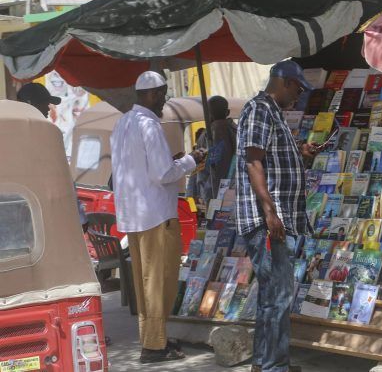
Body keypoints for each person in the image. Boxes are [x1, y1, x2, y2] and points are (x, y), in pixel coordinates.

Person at [110, 71, 206, 364]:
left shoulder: (123, 124)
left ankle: (155, 338)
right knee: (159, 282)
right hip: (155, 216)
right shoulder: (148, 126)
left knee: (146, 282)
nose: (164, 100)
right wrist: (191, 160)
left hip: (136, 215)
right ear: (151, 95)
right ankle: (153, 346)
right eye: (162, 94)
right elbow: (162, 173)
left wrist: (175, 161)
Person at [236, 60, 319, 372]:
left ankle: (266, 363)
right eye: (297, 88)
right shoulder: (259, 109)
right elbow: (253, 160)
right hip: (266, 222)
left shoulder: (273, 113)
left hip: (275, 219)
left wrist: (301, 153)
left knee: (272, 295)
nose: (298, 95)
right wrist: (270, 213)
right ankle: (273, 367)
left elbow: (271, 156)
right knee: (278, 296)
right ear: (283, 81)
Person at [17, 83, 89, 233]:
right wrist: (79, 217)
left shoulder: (10, 133)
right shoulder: (47, 134)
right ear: (30, 104)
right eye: (44, 103)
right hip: (46, 219)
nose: (49, 108)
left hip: (20, 219)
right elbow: (63, 178)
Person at [196, 96, 237, 201]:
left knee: (219, 216)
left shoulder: (215, 131)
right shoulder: (236, 130)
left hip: (217, 191)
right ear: (227, 112)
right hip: (232, 187)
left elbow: (217, 168)